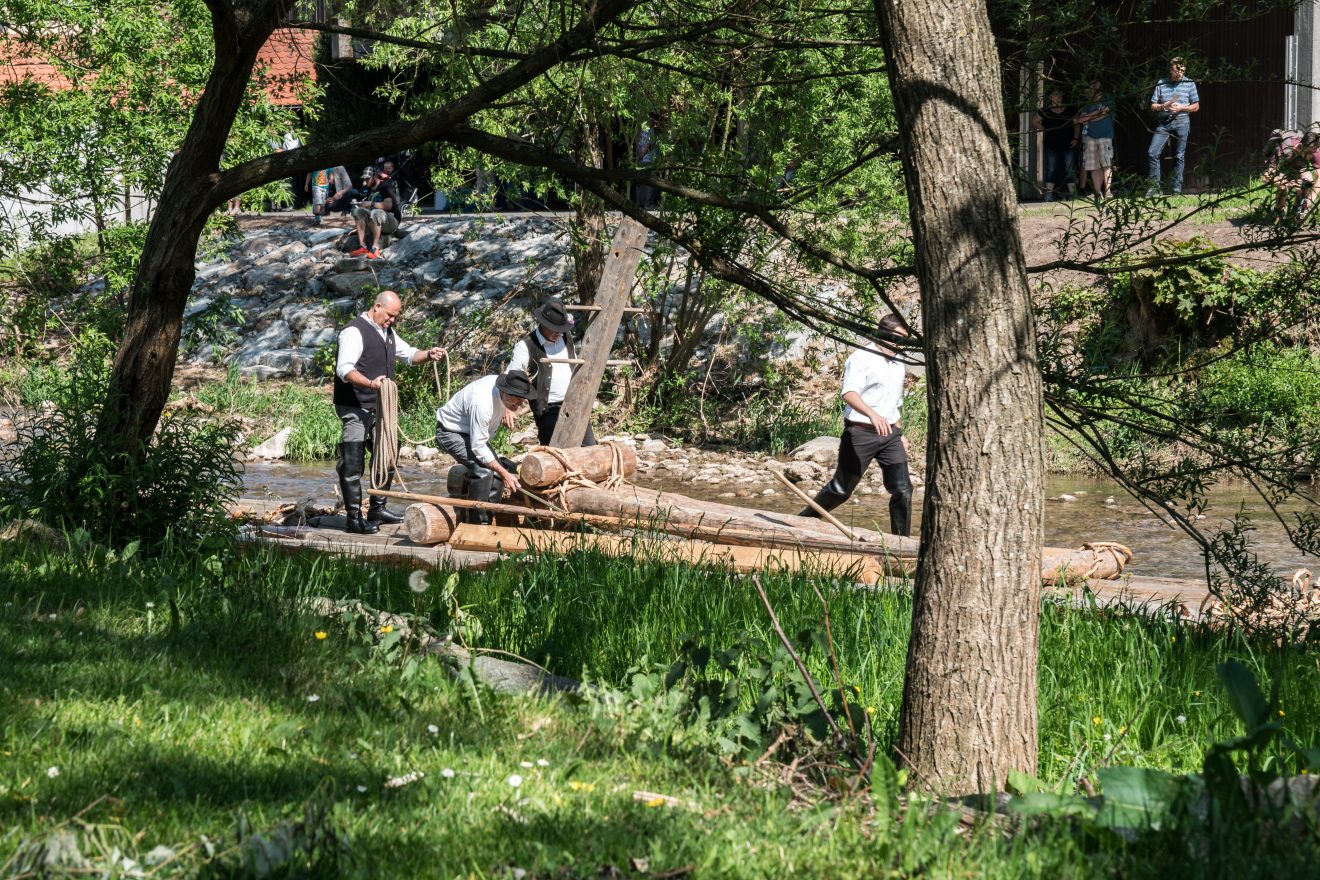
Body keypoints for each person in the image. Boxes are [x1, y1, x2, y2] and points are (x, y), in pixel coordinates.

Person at [333, 290, 446, 534]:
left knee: (387, 456)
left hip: (381, 407)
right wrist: (372, 384)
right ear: (377, 307)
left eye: (395, 317)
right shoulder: (353, 331)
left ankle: (377, 509)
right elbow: (344, 370)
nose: (392, 320)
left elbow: (409, 355)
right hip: (355, 406)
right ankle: (353, 517)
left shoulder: (387, 332)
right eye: (390, 315)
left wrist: (428, 354)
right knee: (353, 464)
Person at [798, 314, 913, 537]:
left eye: (904, 341)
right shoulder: (861, 358)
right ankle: (802, 522)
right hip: (861, 432)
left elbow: (894, 403)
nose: (899, 345)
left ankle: (901, 545)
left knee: (903, 489)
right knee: (841, 490)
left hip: (890, 435)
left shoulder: (899, 363)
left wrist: (900, 432)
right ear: (881, 333)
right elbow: (849, 393)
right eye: (895, 338)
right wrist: (872, 415)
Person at [434, 370, 537, 524]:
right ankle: (475, 524)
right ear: (504, 393)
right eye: (515, 400)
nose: (519, 405)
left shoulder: (505, 391)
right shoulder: (481, 402)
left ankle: (487, 518)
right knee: (483, 471)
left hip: (473, 433)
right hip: (450, 432)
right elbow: (479, 446)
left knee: (497, 474)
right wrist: (504, 473)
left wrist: (508, 408)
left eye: (522, 400)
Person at [505, 296, 597, 446]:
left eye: (561, 330)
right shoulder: (525, 346)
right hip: (548, 408)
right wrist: (507, 407)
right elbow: (512, 376)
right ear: (543, 324)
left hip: (574, 402)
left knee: (590, 448)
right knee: (555, 453)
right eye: (555, 329)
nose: (559, 333)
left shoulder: (565, 337)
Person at [1147, 58, 1200, 196]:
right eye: (1177, 70)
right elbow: (1153, 106)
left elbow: (1196, 106)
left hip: (1182, 121)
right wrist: (1163, 106)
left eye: (1183, 70)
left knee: (1179, 155)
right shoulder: (1161, 83)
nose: (1180, 73)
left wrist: (1182, 107)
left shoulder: (1189, 83)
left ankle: (1176, 189)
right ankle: (1154, 188)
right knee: (1152, 153)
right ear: (1171, 69)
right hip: (1164, 122)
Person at [1035, 89, 1078, 201]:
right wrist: (1045, 129)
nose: (1058, 97)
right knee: (1051, 169)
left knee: (1069, 170)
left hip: (1068, 144)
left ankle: (1073, 195)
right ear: (1051, 97)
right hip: (1051, 145)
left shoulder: (1070, 110)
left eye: (1060, 95)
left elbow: (1076, 123)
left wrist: (1076, 138)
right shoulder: (1045, 111)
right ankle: (1048, 196)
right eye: (1055, 95)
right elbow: (1035, 121)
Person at [350, 167, 402, 259]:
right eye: (364, 179)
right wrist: (359, 227)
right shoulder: (370, 189)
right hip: (377, 220)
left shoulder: (385, 186)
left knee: (376, 212)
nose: (365, 181)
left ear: (374, 176)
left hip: (391, 221)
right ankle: (363, 246)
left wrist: (371, 203)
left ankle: (375, 248)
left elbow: (388, 205)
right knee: (357, 211)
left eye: (367, 179)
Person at [1075, 80, 1115, 200]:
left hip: (1105, 136)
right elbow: (1080, 119)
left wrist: (1090, 117)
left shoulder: (1108, 100)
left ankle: (1107, 192)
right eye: (1092, 84)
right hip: (1090, 137)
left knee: (1106, 164)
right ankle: (1097, 192)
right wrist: (1097, 112)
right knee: (1094, 166)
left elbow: (1103, 115)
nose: (1094, 86)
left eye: (1097, 84)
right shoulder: (1088, 103)